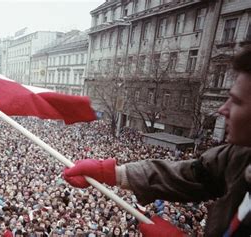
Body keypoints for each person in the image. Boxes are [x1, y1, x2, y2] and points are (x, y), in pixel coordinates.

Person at [63, 47, 251, 237]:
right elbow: (193, 174)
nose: (223, 109)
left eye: (236, 101)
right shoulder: (240, 156)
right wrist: (114, 173)